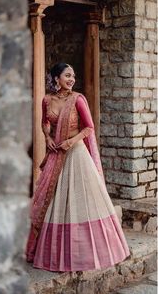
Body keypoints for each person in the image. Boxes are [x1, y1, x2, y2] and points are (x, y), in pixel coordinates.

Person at [26, 62, 130, 272]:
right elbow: (45, 122)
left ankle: (87, 252)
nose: (71, 79)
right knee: (54, 200)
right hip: (56, 155)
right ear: (56, 79)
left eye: (73, 75)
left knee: (80, 200)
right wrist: (47, 137)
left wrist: (70, 143)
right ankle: (54, 253)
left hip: (77, 153)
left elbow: (89, 128)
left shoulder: (78, 99)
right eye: (67, 75)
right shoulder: (47, 100)